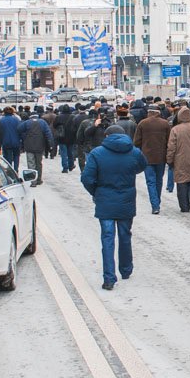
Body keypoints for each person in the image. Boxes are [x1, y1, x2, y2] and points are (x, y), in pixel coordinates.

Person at [81, 124, 148, 290]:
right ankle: (126, 269)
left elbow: (87, 178)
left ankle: (109, 277)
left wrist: (95, 192)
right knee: (125, 235)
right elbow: (141, 166)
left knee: (107, 238)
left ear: (106, 136)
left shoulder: (97, 153)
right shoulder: (134, 152)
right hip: (126, 198)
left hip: (105, 199)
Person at [164, 106, 190, 213]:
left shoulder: (175, 129)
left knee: (182, 182)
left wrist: (169, 159)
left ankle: (184, 207)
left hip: (180, 159)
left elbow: (171, 147)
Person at [133, 105, 172, 214]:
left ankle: (155, 205)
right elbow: (169, 141)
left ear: (149, 112)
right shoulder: (165, 124)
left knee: (150, 181)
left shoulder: (142, 123)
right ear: (158, 112)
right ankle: (157, 202)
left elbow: (136, 142)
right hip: (161, 156)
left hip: (147, 157)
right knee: (159, 181)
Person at [18, 112, 53, 185]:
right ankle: (39, 180)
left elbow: (19, 129)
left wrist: (24, 137)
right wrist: (51, 145)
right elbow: (48, 134)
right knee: (38, 163)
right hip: (40, 146)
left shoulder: (27, 123)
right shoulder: (43, 122)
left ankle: (33, 181)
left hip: (29, 146)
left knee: (31, 163)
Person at [55, 105, 77, 172]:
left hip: (62, 137)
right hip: (71, 137)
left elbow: (54, 125)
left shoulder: (59, 117)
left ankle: (65, 167)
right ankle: (71, 165)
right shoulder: (73, 117)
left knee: (63, 153)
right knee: (70, 152)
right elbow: (75, 127)